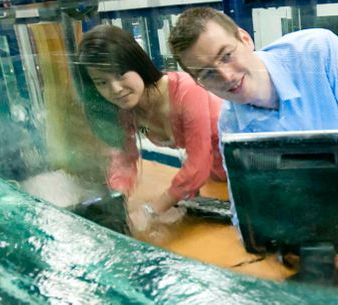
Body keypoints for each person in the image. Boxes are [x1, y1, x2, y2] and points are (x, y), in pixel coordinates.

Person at [169, 7, 338, 284]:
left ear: (245, 39)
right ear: (197, 82)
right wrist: (274, 241)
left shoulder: (318, 52)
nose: (226, 76)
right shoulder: (232, 122)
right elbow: (247, 198)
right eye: (207, 73)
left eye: (227, 55)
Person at [76, 25, 226, 229]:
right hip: (215, 180)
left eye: (120, 74)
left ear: (136, 64)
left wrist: (152, 209)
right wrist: (118, 201)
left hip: (247, 170)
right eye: (102, 82)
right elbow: (124, 159)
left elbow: (198, 163)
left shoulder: (186, 91)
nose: (115, 89)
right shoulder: (127, 111)